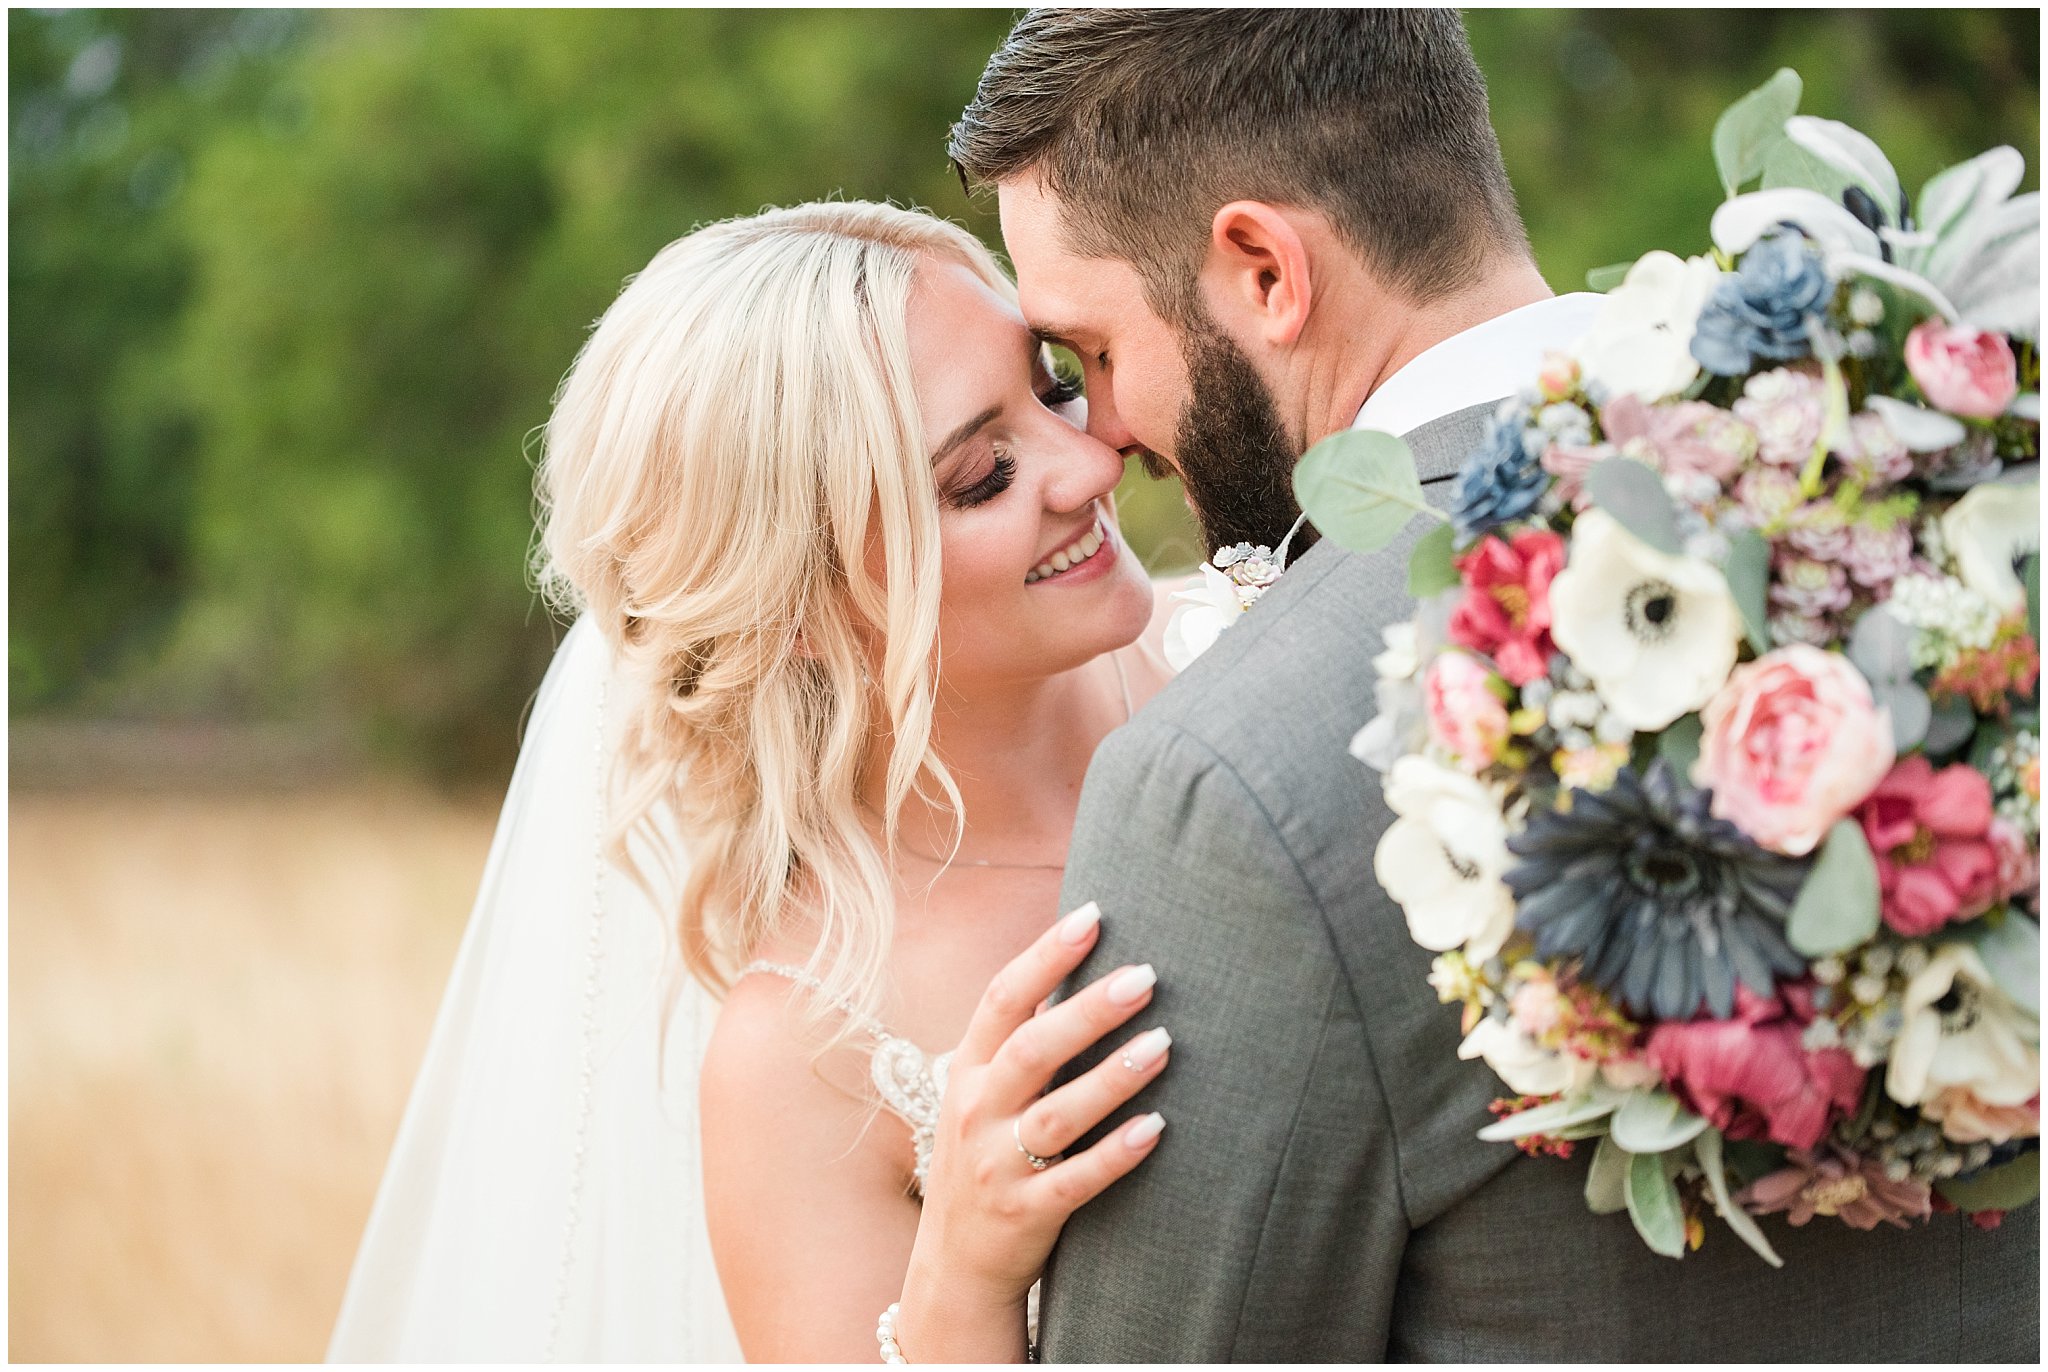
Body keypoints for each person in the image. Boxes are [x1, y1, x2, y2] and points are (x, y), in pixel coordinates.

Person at [950, 8, 2039, 1361]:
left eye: (1098, 353)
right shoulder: (1955, 506)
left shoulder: (1226, 784)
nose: (1105, 433)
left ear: (1262, 269)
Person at [327, 202, 1188, 1363]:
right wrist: (965, 1271)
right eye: (982, 474)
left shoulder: (1263, 653)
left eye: (1053, 387)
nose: (1091, 462)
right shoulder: (812, 1046)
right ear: (799, 609)